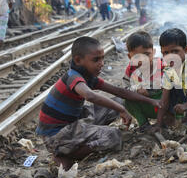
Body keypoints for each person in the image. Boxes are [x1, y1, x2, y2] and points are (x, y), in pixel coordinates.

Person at [36, 36, 161, 170]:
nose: (101, 63)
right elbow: (90, 96)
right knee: (113, 135)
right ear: (78, 60)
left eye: (102, 58)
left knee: (120, 99)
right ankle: (67, 154)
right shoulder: (73, 76)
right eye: (96, 60)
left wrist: (151, 101)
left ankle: (75, 144)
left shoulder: (89, 76)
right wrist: (121, 109)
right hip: (56, 135)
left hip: (73, 123)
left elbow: (119, 91)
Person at [123, 31, 166, 132]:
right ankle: (143, 124)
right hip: (147, 106)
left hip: (163, 105)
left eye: (147, 54)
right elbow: (126, 88)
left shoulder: (162, 66)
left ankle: (165, 121)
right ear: (130, 57)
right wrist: (136, 89)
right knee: (128, 100)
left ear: (154, 52)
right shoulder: (130, 70)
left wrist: (150, 89)